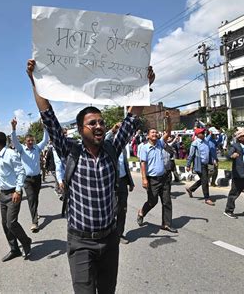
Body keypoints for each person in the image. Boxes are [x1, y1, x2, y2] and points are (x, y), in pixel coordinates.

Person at [27, 58, 154, 293]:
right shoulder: (70, 151)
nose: (98, 126)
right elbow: (48, 117)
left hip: (109, 239)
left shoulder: (111, 148)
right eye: (92, 123)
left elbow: (131, 118)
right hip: (81, 242)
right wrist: (36, 81)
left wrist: (143, 86)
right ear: (80, 129)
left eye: (101, 122)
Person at [0, 131, 32, 262]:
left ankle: (26, 241)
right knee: (5, 224)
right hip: (3, 194)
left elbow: (21, 172)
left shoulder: (11, 154)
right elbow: (0, 174)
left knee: (11, 223)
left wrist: (18, 191)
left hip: (13, 193)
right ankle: (14, 249)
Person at [137, 115, 178, 234]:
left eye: (156, 132)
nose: (155, 134)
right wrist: (144, 179)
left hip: (164, 178)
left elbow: (169, 132)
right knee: (152, 201)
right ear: (148, 136)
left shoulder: (160, 143)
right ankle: (141, 212)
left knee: (167, 201)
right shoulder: (144, 148)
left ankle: (166, 224)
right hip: (152, 179)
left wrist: (169, 120)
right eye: (152, 132)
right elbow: (143, 164)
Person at [11, 118, 49, 232]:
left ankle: (35, 212)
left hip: (37, 178)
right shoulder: (21, 149)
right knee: (31, 199)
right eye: (28, 140)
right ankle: (34, 222)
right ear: (25, 141)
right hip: (27, 180)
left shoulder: (37, 148)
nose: (30, 142)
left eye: (32, 140)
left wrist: (45, 128)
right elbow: (15, 141)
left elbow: (45, 139)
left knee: (35, 198)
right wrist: (14, 128)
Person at [106, 123, 135, 244]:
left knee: (123, 209)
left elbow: (125, 166)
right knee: (112, 209)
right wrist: (113, 130)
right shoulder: (108, 145)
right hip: (111, 182)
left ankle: (119, 234)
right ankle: (109, 234)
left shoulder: (123, 148)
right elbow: (106, 138)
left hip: (123, 181)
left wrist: (130, 182)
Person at [224, 127, 244, 219]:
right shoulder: (235, 146)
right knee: (234, 193)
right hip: (239, 174)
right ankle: (228, 210)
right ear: (239, 138)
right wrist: (232, 155)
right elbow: (227, 154)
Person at [185, 128, 215, 206]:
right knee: (205, 181)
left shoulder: (206, 142)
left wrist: (213, 160)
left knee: (204, 179)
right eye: (201, 133)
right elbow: (191, 155)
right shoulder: (195, 143)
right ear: (198, 135)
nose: (203, 134)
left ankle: (191, 189)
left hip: (205, 164)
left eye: (204, 132)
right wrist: (188, 165)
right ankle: (207, 198)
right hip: (199, 164)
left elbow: (209, 153)